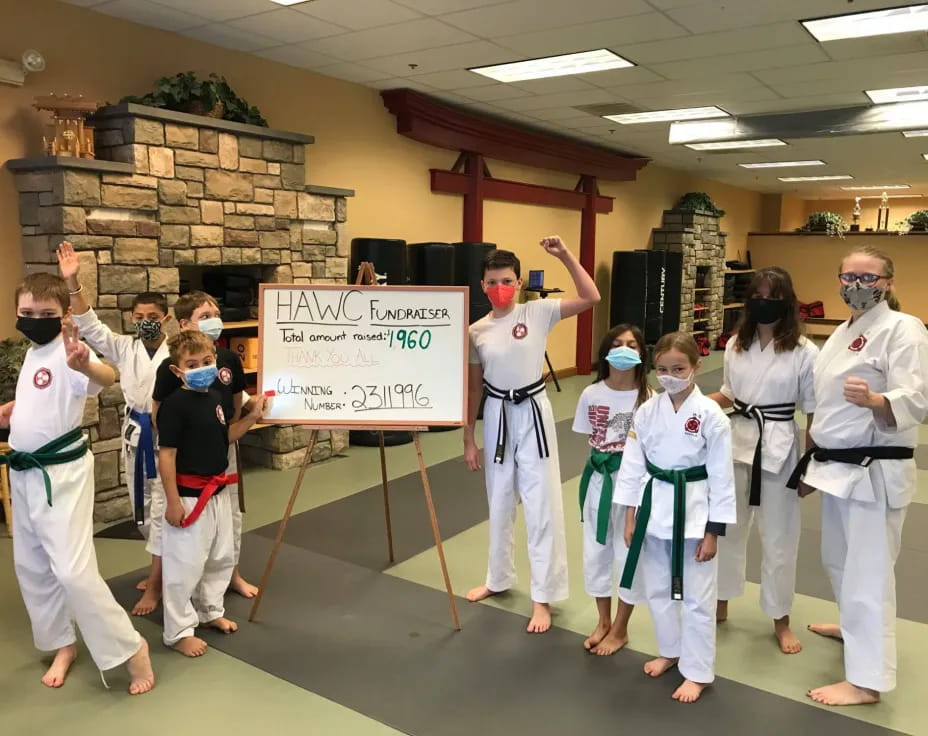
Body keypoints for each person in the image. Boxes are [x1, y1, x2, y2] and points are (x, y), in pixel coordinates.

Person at [787, 246, 928, 706]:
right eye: (848, 276)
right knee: (839, 562)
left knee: (868, 575)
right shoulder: (842, 332)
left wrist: (877, 401)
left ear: (887, 282)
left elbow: (918, 398)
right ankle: (853, 629)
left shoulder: (903, 329)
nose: (856, 285)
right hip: (836, 467)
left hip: (874, 471)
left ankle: (867, 682)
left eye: (867, 277)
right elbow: (825, 407)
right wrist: (811, 459)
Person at [0, 273, 154, 694]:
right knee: (32, 567)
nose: (34, 319)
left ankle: (131, 647)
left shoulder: (70, 353)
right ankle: (62, 642)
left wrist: (85, 362)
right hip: (26, 471)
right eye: (26, 313)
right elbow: (44, 402)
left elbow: (107, 377)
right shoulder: (33, 354)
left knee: (71, 570)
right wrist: (15, 413)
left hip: (61, 475)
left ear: (64, 315)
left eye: (45, 314)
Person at [464, 237, 600, 633]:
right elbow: (474, 388)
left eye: (506, 280)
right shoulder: (476, 331)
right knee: (500, 499)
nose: (499, 288)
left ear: (519, 282)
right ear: (482, 286)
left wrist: (564, 255)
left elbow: (590, 297)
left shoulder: (538, 312)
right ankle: (498, 578)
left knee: (541, 505)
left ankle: (543, 598)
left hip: (533, 414)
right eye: (491, 282)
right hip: (496, 413)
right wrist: (468, 438)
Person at [615, 332, 735, 703]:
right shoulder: (648, 411)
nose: (669, 376)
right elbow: (633, 465)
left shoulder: (711, 415)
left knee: (698, 597)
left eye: (678, 369)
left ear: (697, 367)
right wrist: (630, 514)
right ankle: (670, 651)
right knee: (657, 590)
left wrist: (714, 531)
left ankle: (697, 672)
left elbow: (721, 476)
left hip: (695, 510)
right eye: (662, 369)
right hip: (653, 508)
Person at [56, 241, 171, 616]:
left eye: (151, 315)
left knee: (161, 510)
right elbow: (89, 324)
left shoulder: (178, 350)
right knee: (140, 508)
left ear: (166, 318)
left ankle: (155, 584)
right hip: (135, 437)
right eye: (138, 316)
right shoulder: (125, 346)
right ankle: (162, 567)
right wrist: (73, 283)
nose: (144, 321)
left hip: (167, 441)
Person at [707, 267, 817, 654]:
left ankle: (780, 618)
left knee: (780, 537)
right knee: (726, 529)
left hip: (781, 448)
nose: (763, 301)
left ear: (786, 302)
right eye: (758, 294)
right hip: (735, 443)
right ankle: (719, 602)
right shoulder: (737, 342)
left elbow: (813, 412)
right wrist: (692, 402)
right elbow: (727, 394)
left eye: (772, 295)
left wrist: (810, 466)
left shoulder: (805, 351)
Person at [158, 330, 266, 656]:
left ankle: (209, 612)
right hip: (190, 496)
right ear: (177, 371)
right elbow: (167, 455)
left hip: (218, 490)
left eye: (207, 361)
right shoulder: (175, 406)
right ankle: (177, 632)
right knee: (185, 565)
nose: (202, 368)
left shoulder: (215, 399)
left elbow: (226, 437)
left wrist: (253, 418)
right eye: (192, 364)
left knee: (221, 556)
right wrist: (173, 500)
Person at [152, 291, 256, 600]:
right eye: (204, 316)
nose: (214, 321)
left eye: (216, 313)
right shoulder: (172, 370)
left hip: (220, 448)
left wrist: (233, 427)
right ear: (185, 325)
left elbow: (236, 405)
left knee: (227, 523)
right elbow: (161, 417)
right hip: (183, 459)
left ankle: (227, 581)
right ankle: (158, 585)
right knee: (178, 526)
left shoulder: (226, 361)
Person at [571, 323, 650, 655]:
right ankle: (603, 620)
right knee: (596, 550)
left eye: (632, 345)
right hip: (600, 480)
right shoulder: (591, 393)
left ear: (642, 354)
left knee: (629, 552)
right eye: (617, 344)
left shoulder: (648, 399)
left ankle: (621, 627)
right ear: (605, 351)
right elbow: (590, 438)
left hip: (635, 483)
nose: (624, 350)